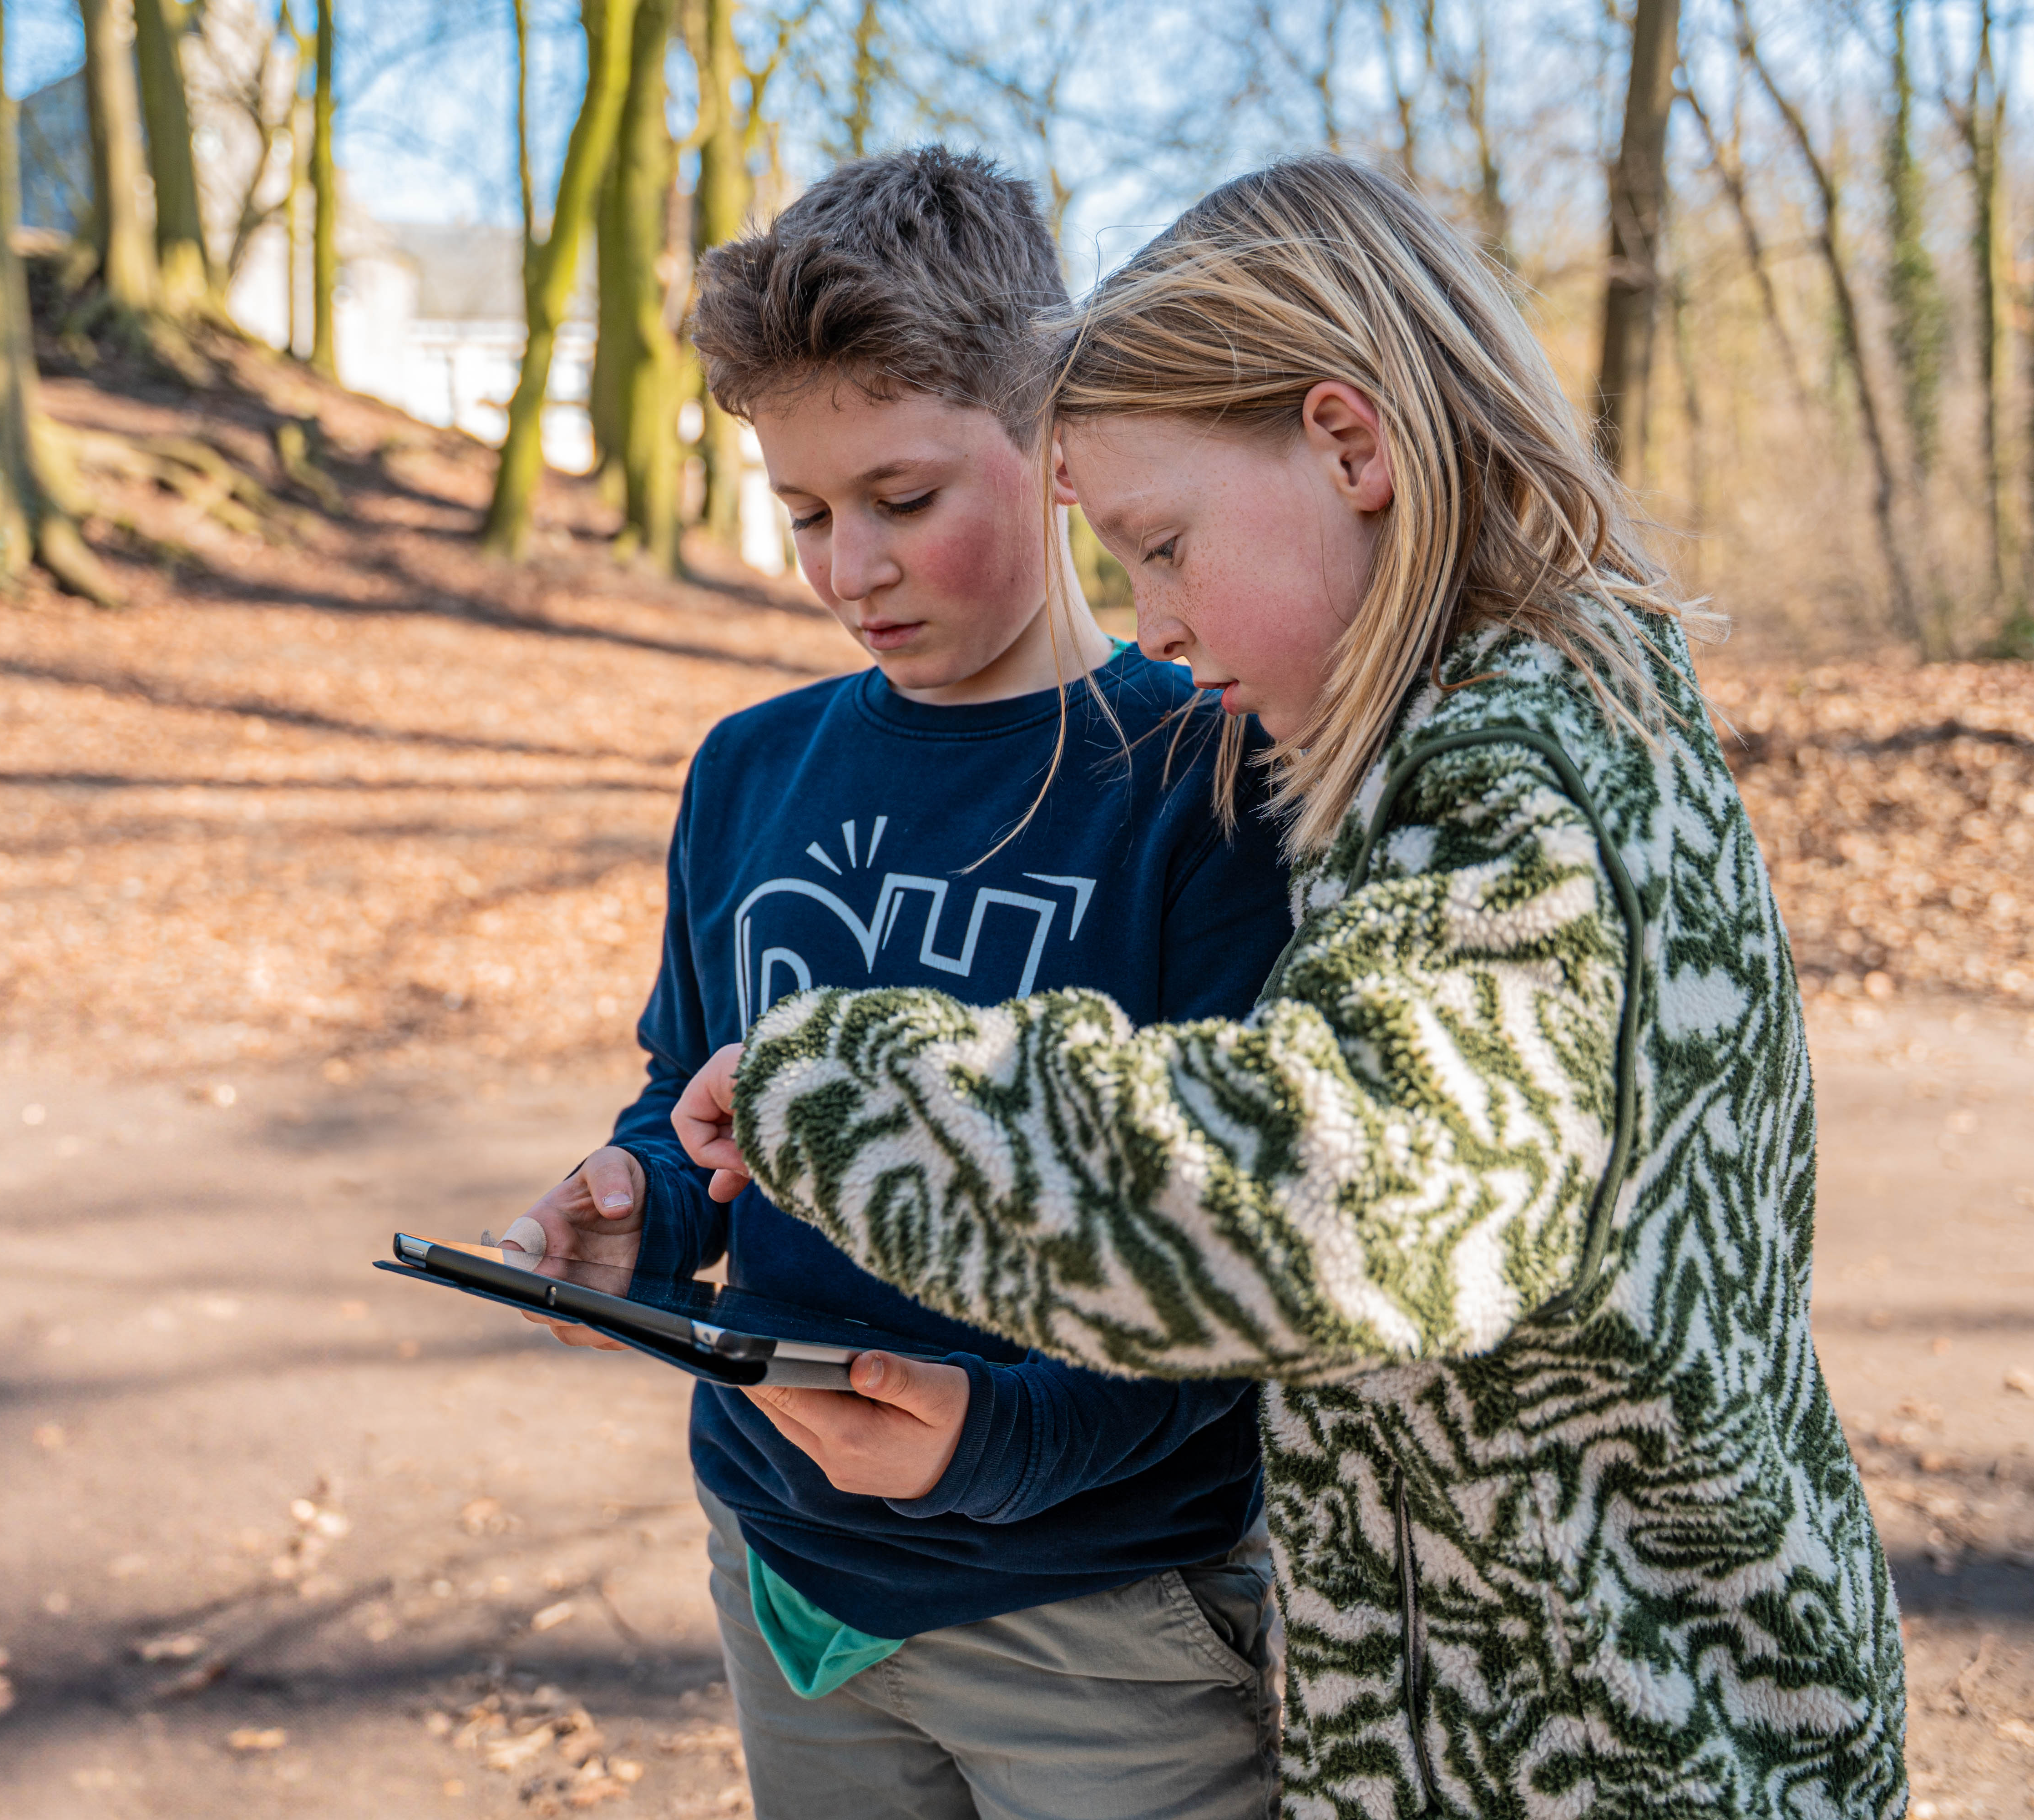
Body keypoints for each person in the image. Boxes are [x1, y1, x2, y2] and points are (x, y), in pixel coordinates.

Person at [678, 156, 1910, 1820]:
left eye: (1164, 546)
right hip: (1520, 1716)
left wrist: (845, 1095)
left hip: (1634, 1742)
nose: (1155, 625)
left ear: (1350, 445)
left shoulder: (1517, 780)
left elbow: (1343, 1189)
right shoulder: (1456, 746)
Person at [499, 147, 1295, 1820]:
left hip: (1102, 1617)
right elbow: (690, 1100)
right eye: (805, 513)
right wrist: (637, 1210)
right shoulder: (748, 769)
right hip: (780, 1569)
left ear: (1056, 444)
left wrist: (996, 1437)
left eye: (904, 500)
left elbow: (1256, 1241)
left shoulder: (1207, 776)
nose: (847, 567)